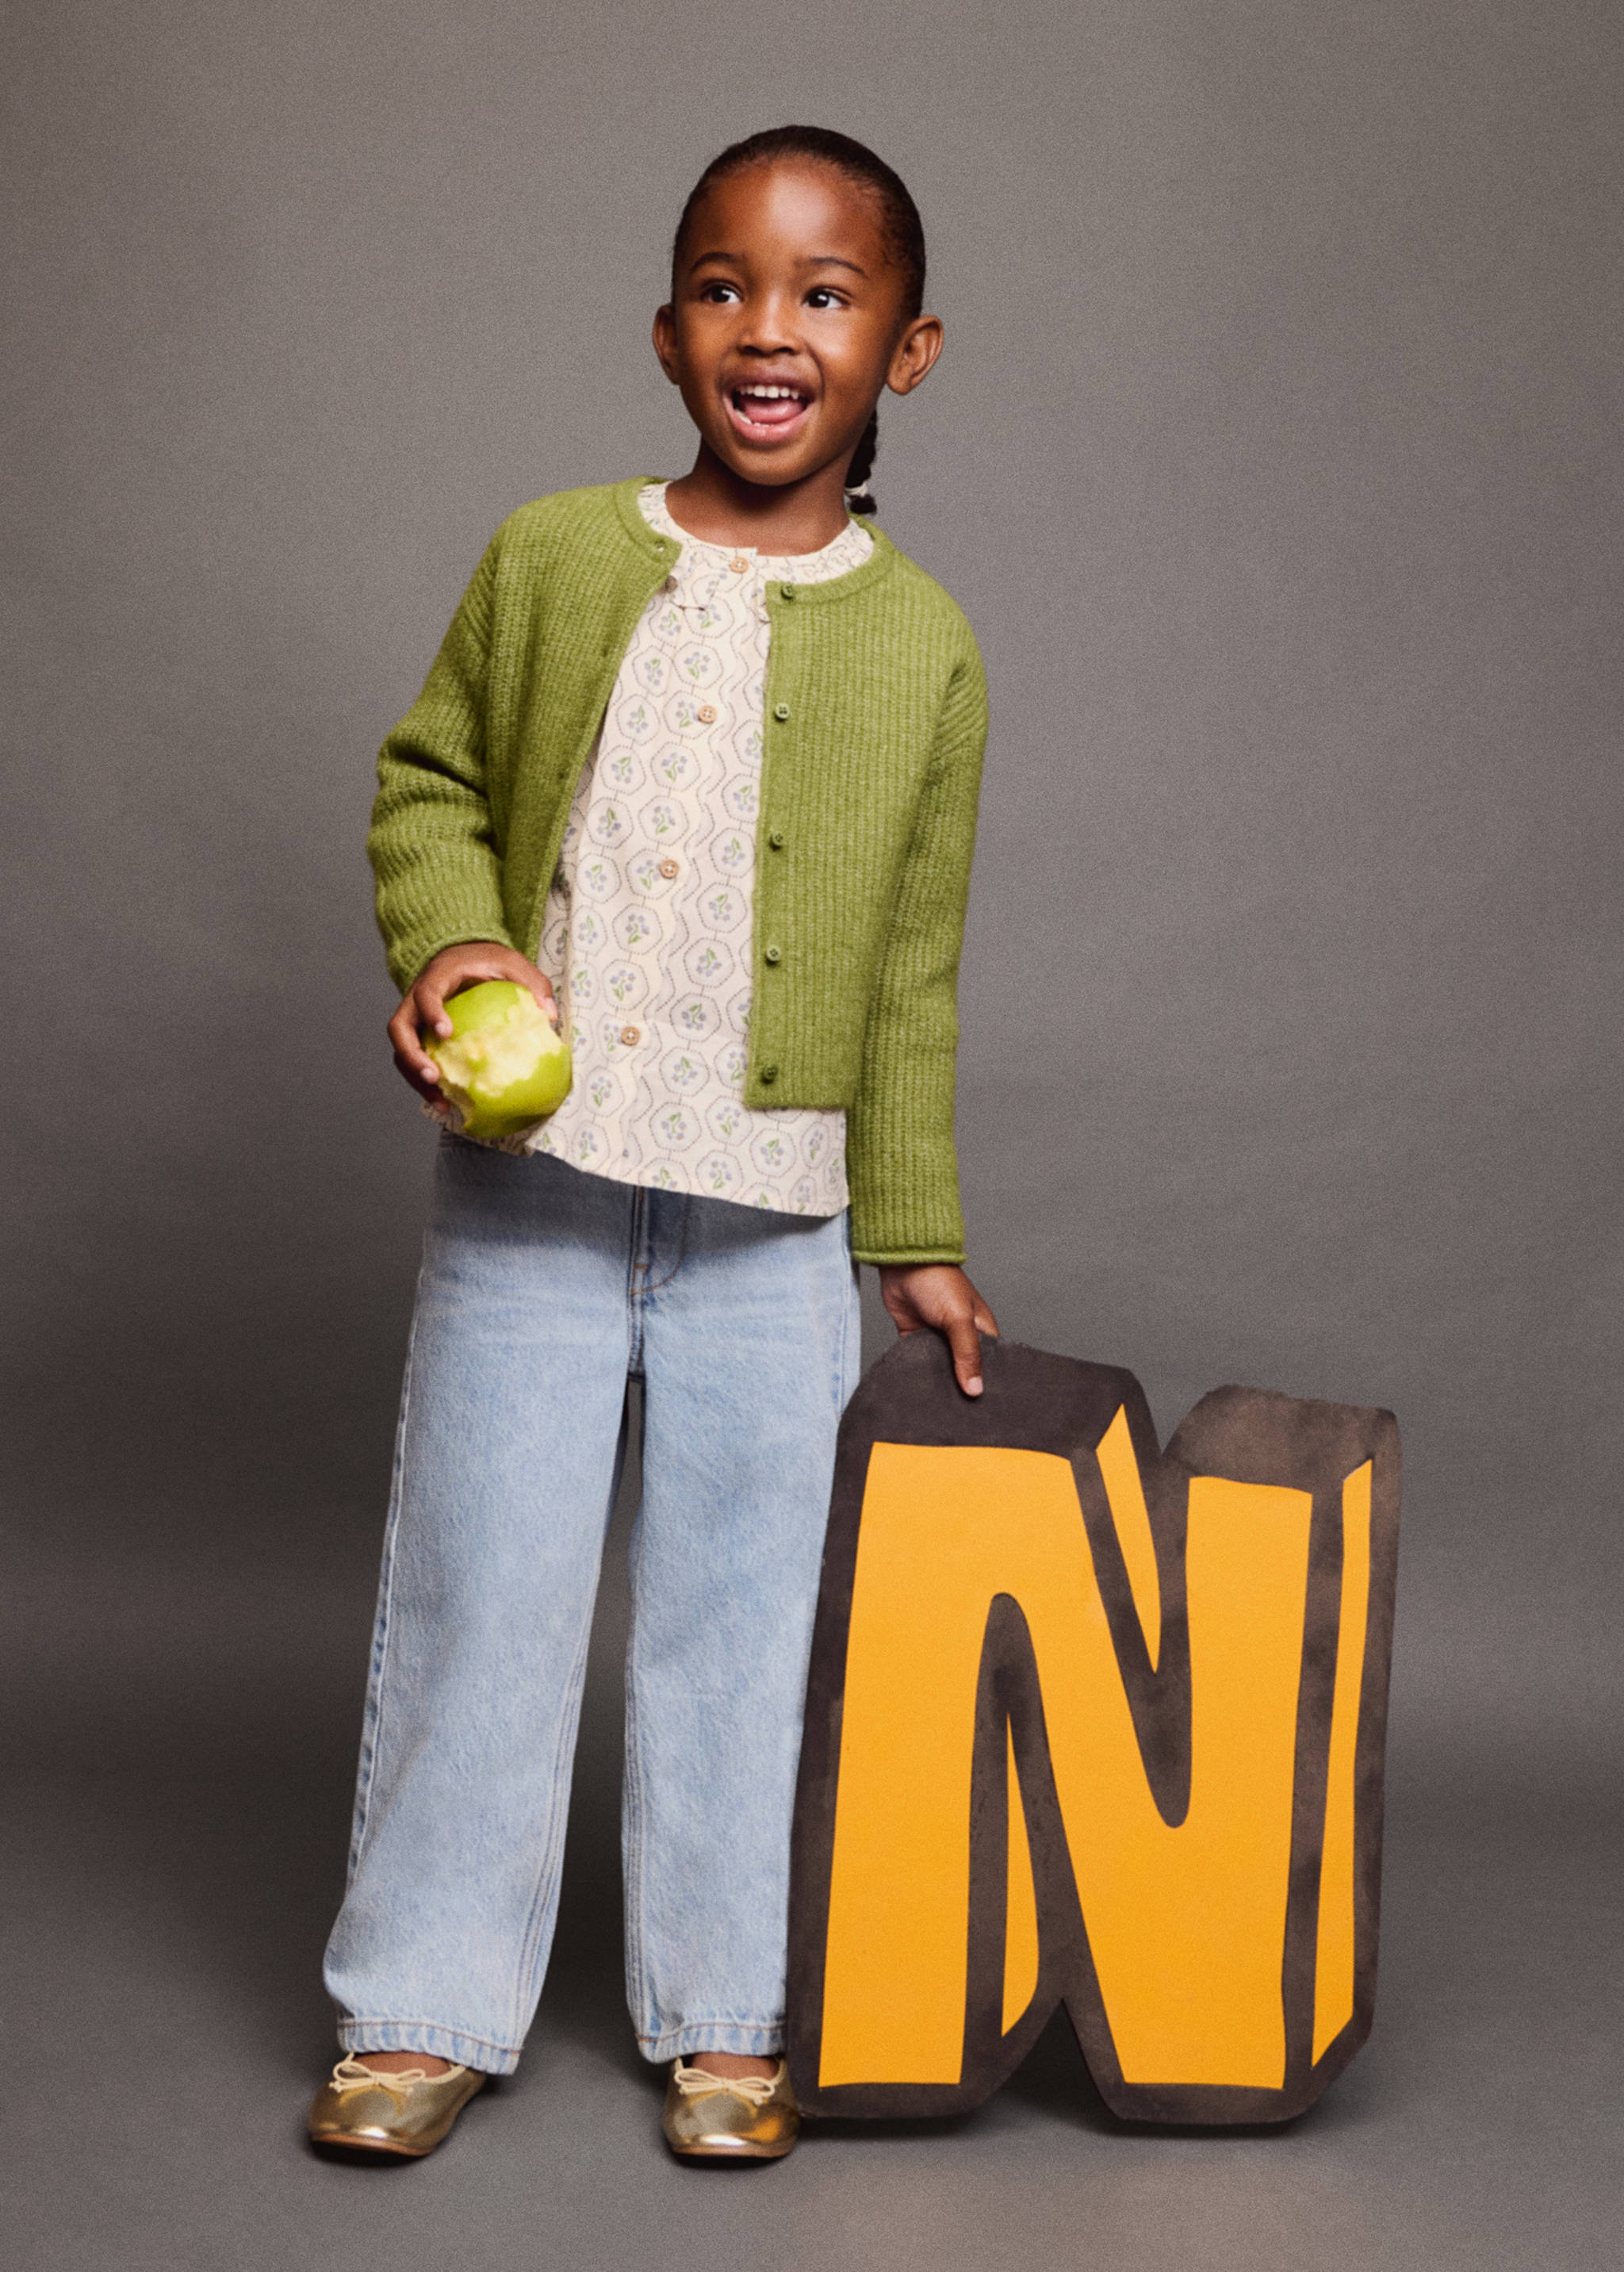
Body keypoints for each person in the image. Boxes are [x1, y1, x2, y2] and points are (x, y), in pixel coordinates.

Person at [307, 123, 997, 2165]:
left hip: (771, 1228)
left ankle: (729, 2013)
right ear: (669, 330)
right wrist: (452, 937)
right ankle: (419, 2004)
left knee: (743, 1620)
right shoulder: (548, 555)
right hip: (529, 1196)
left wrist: (915, 1236)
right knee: (482, 1595)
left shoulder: (928, 647)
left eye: (823, 294)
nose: (769, 329)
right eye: (724, 286)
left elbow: (912, 975)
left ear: (906, 350)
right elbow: (429, 782)